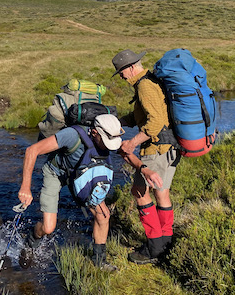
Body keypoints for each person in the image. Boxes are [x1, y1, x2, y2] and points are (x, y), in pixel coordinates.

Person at [17, 114, 124, 271]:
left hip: (80, 176)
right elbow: (32, 150)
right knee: (48, 228)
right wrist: (25, 187)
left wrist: (143, 168)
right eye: (106, 142)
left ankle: (99, 261)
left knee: (103, 215)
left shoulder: (107, 141)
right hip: (55, 173)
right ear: (94, 132)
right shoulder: (72, 135)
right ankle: (31, 240)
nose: (109, 147)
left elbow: (126, 154)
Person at [112, 49, 179, 264]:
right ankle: (165, 242)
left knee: (140, 192)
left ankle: (153, 248)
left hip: (156, 148)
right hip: (171, 146)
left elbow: (155, 122)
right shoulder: (150, 80)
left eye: (121, 72)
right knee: (162, 192)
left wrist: (132, 143)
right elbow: (142, 115)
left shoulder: (144, 86)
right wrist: (117, 122)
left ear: (131, 67)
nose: (121, 77)